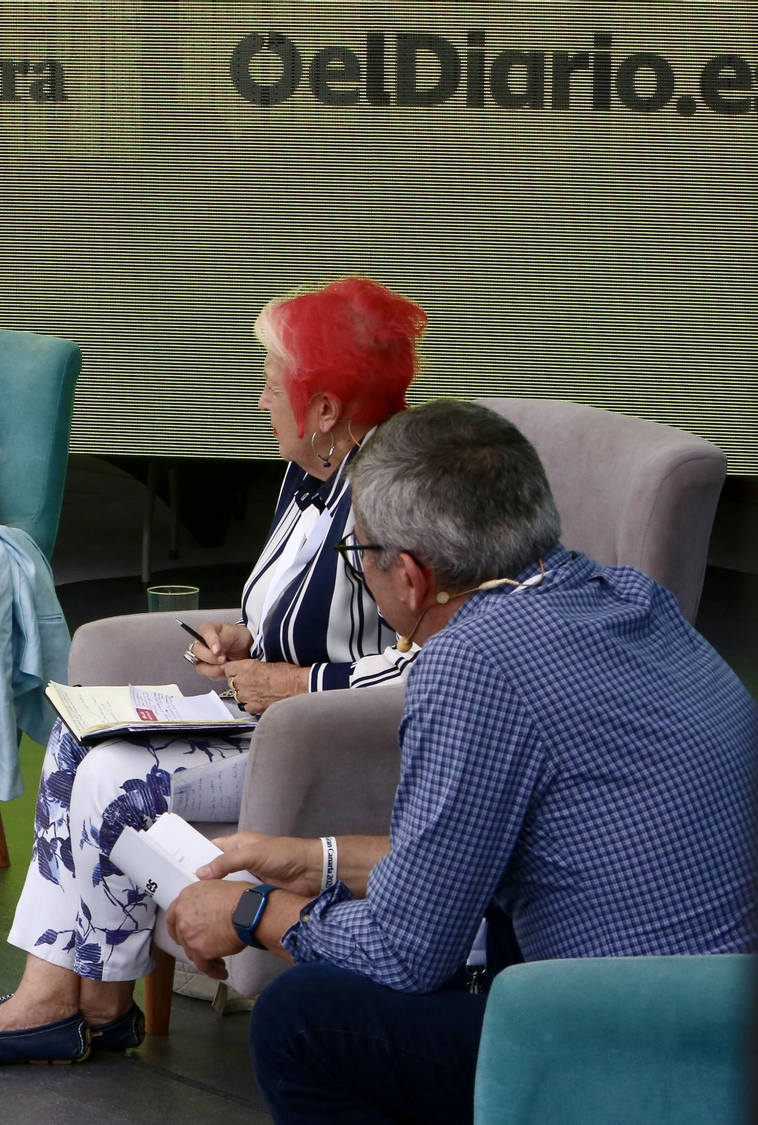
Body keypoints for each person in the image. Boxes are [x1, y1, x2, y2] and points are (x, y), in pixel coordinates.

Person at [160, 399, 758, 1123]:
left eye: (358, 554)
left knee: (303, 1018)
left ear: (411, 577)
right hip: (723, 1012)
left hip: (630, 1037)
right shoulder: (631, 597)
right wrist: (311, 859)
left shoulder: (474, 660)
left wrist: (253, 911)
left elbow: (407, 950)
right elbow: (469, 862)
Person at [0, 276, 428, 1067]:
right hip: (264, 717)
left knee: (111, 779)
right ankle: (81, 999)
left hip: (321, 740)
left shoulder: (391, 500)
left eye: (270, 381)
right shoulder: (314, 472)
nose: (261, 400)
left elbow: (435, 658)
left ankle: (73, 1000)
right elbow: (305, 608)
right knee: (78, 738)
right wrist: (246, 634)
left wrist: (297, 683)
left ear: (325, 407)